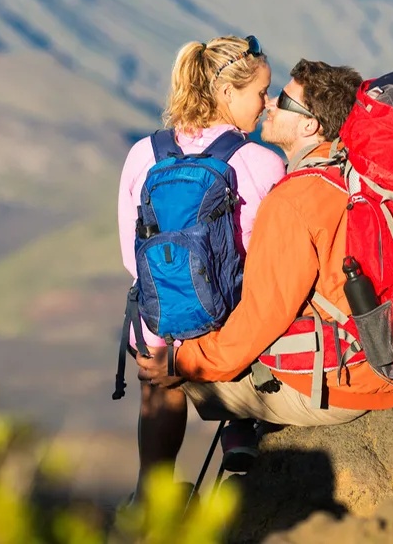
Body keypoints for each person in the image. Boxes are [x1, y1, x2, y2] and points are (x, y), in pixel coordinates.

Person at [136, 60, 393, 458]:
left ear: (309, 125)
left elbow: (259, 320)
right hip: (382, 368)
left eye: (282, 101)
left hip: (342, 388)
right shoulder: (351, 179)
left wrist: (179, 361)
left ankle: (160, 496)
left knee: (166, 372)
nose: (269, 107)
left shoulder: (294, 201)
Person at [117, 35, 286, 499]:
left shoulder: (143, 154)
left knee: (155, 368)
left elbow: (131, 255)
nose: (267, 103)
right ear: (228, 94)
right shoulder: (264, 163)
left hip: (160, 330)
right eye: (261, 92)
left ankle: (149, 496)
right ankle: (241, 431)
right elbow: (277, 262)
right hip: (229, 335)